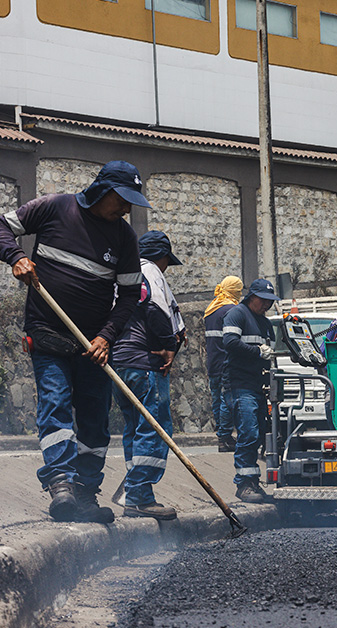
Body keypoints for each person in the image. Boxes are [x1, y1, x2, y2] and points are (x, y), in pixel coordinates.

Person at [0, 160, 149, 523]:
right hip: (48, 333)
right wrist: (16, 257)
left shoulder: (124, 239)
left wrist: (106, 336)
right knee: (56, 404)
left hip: (93, 344)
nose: (127, 208)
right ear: (104, 190)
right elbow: (2, 227)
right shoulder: (54, 207)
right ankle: (60, 484)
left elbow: (130, 296)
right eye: (123, 199)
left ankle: (84, 495)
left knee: (96, 421)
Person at [112, 230, 185, 520]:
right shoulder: (150, 270)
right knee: (154, 426)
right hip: (144, 363)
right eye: (168, 261)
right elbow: (155, 308)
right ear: (162, 256)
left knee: (134, 427)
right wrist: (168, 345)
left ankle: (135, 493)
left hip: (119, 362)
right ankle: (140, 495)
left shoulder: (122, 274)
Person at [223, 278, 279, 503]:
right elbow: (229, 342)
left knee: (257, 435)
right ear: (252, 297)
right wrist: (257, 352)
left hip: (257, 386)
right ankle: (244, 485)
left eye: (270, 302)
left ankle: (252, 481)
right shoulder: (237, 314)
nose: (267, 305)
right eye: (264, 301)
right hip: (239, 385)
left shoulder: (264, 322)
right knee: (248, 433)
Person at [204, 276, 243, 452]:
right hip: (227, 362)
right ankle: (225, 437)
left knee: (216, 398)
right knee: (226, 399)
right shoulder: (232, 310)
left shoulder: (211, 309)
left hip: (212, 362)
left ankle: (222, 435)